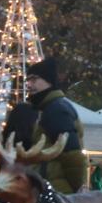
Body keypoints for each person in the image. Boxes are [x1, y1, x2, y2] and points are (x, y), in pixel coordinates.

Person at [25, 57, 88, 194]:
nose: (29, 85)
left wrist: (75, 188)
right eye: (28, 80)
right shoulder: (48, 108)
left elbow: (72, 155)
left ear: (49, 81)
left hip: (56, 192)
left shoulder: (56, 110)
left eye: (34, 79)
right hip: (51, 189)